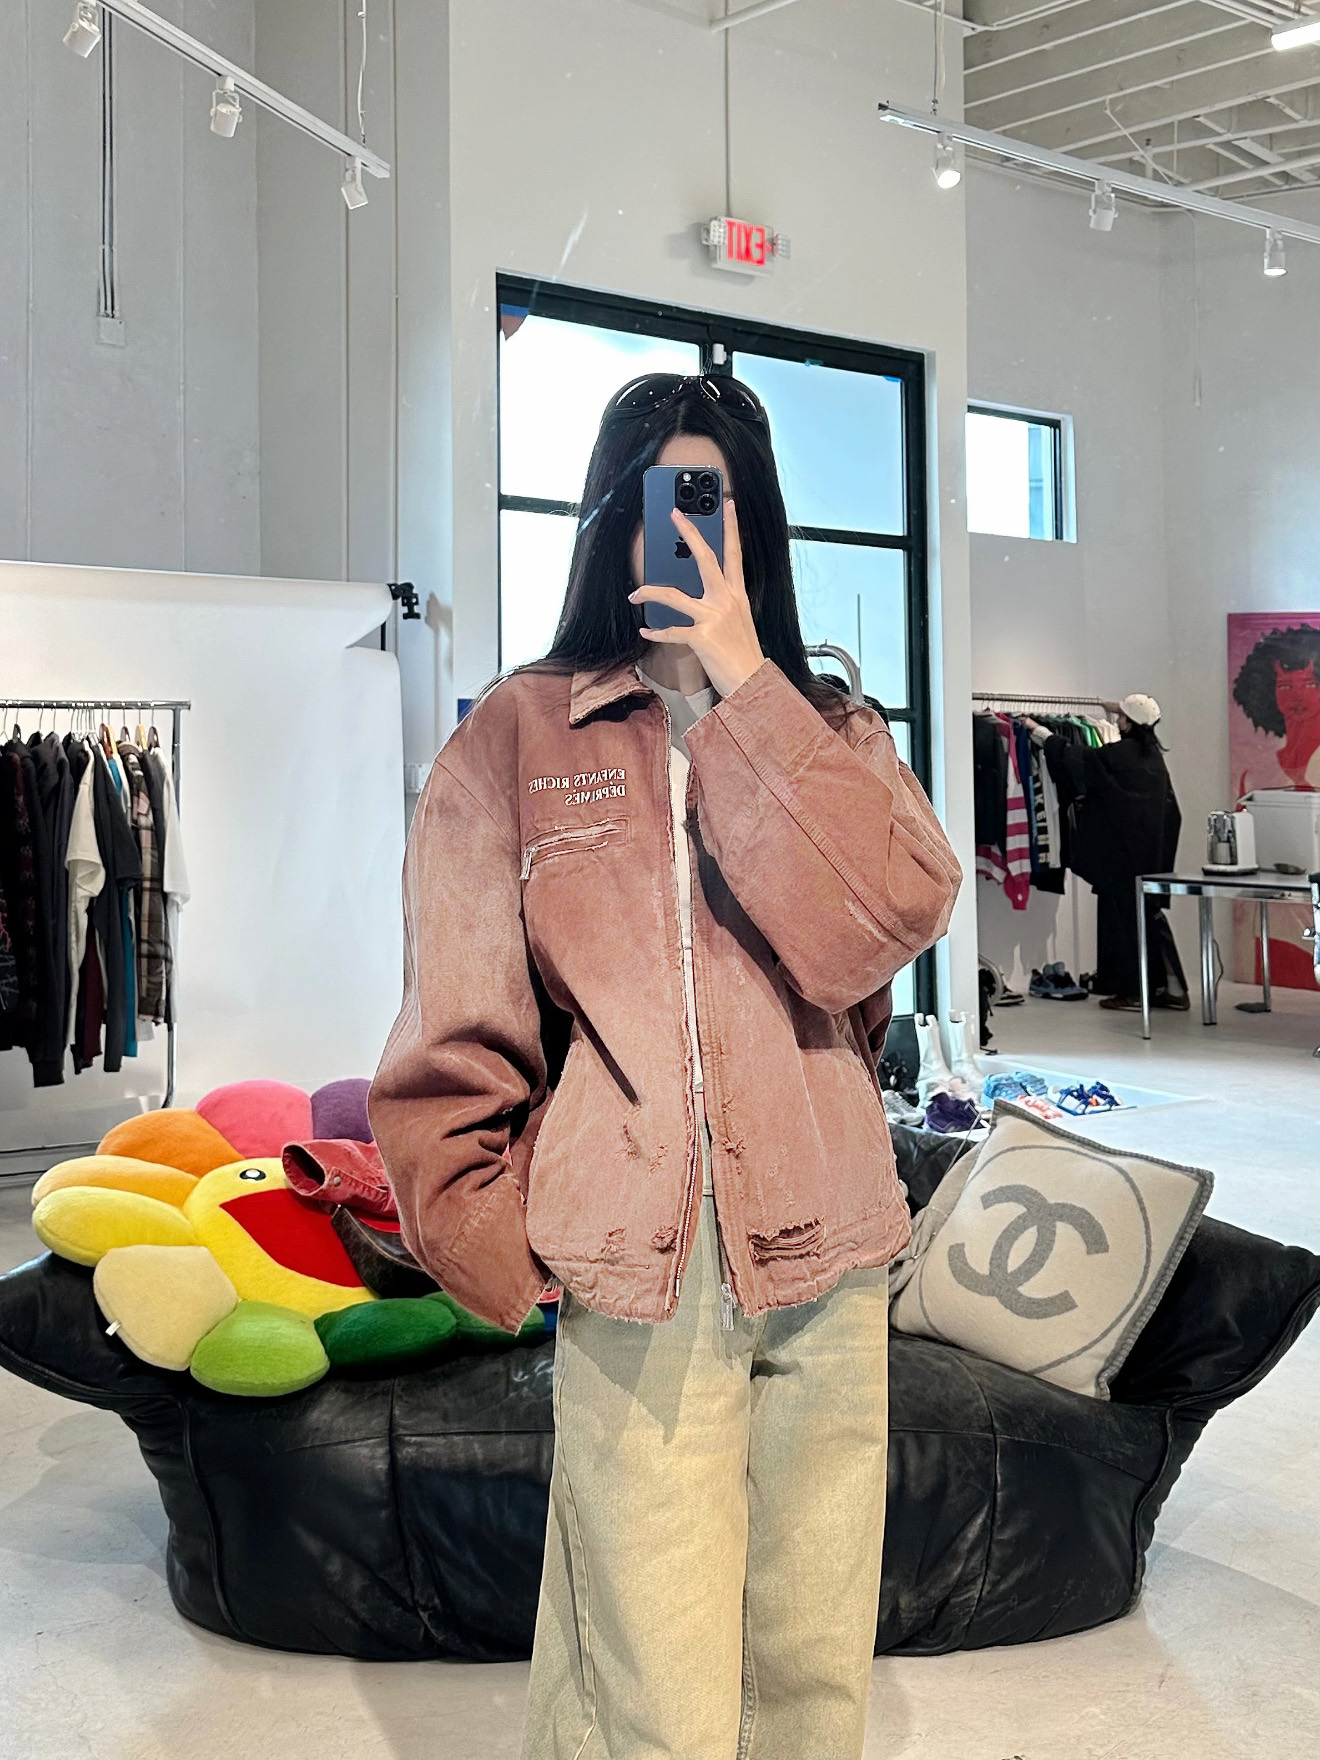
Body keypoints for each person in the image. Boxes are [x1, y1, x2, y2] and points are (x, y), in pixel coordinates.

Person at [368, 371, 961, 1760]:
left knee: (812, 1667)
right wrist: (494, 1238)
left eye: (719, 503)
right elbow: (455, 1022)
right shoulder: (519, 734)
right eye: (663, 499)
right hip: (640, 1258)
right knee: (654, 1679)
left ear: (759, 529)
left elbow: (887, 920)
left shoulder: (832, 729)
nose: (688, 531)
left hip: (829, 1243)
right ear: (609, 520)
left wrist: (748, 686)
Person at [1022, 695, 1188, 1012]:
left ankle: (1132, 993)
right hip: (1150, 860)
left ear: (1129, 723)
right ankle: (1167, 988)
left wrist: (1037, 731)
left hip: (1122, 862)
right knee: (1148, 922)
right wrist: (1115, 708)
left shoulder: (1120, 755)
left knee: (1125, 927)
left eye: (1121, 717)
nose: (1117, 721)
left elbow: (1077, 758)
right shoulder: (1151, 757)